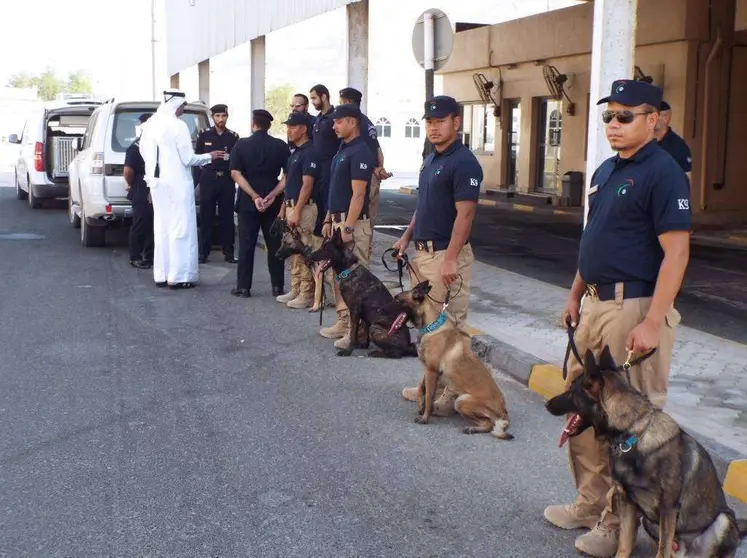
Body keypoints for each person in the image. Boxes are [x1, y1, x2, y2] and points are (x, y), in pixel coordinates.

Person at [543, 79, 690, 558]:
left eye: (625, 117)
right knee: (582, 407)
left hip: (635, 307)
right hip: (594, 304)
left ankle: (616, 523)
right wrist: (574, 292)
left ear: (654, 119)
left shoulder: (664, 172)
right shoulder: (607, 170)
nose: (613, 125)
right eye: (608, 116)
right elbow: (598, 237)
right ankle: (590, 502)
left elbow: (676, 252)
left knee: (630, 421)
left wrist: (655, 319)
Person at [393, 95, 482, 406]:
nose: (433, 127)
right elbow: (424, 206)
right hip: (424, 255)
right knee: (431, 329)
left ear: (455, 122)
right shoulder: (431, 160)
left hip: (447, 255)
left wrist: (451, 259)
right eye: (429, 122)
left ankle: (450, 392)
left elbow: (466, 215)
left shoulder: (464, 162)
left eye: (440, 121)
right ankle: (428, 387)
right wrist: (406, 236)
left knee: (451, 328)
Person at [139, 90, 224, 289]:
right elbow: (188, 159)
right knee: (181, 227)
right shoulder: (178, 126)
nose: (183, 109)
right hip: (176, 182)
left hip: (156, 183)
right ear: (177, 105)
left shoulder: (150, 124)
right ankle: (179, 276)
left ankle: (161, 274)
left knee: (162, 227)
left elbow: (143, 152)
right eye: (183, 106)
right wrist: (210, 156)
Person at [317, 103, 376, 349]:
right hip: (339, 220)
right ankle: (344, 320)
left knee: (356, 281)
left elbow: (358, 195)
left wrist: (348, 228)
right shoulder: (343, 149)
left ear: (353, 122)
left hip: (353, 224)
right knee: (339, 276)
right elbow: (336, 190)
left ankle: (359, 332)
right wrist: (330, 218)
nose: (334, 126)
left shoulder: (361, 151)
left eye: (338, 122)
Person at [229, 109, 291, 298]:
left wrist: (254, 195)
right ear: (269, 126)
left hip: (249, 202)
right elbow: (288, 176)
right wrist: (272, 194)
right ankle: (277, 286)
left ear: (253, 124)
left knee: (246, 244)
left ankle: (244, 287)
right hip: (273, 201)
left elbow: (235, 174)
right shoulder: (280, 146)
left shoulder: (241, 145)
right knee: (274, 244)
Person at [338, 87, 391, 257]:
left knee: (362, 218)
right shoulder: (367, 122)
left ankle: (362, 256)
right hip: (371, 174)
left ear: (346, 102)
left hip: (362, 176)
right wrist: (378, 168)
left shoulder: (355, 123)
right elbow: (378, 151)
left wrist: (374, 170)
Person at [276, 111, 321, 309]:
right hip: (292, 206)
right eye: (288, 127)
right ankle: (296, 288)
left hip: (304, 208)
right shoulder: (295, 153)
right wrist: (283, 208)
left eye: (292, 126)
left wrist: (297, 210)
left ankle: (307, 293)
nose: (289, 130)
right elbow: (289, 185)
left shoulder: (311, 151)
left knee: (303, 250)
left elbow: (307, 185)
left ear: (303, 128)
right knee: (293, 251)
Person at [194, 103, 239, 264]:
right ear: (212, 117)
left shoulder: (233, 136)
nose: (221, 119)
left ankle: (228, 252)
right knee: (206, 216)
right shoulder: (204, 135)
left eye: (223, 116)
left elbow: (236, 159)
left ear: (227, 117)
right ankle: (203, 253)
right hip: (208, 179)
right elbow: (196, 158)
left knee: (227, 217)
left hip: (226, 180)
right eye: (218, 116)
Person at [309, 84, 339, 242]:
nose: (312, 102)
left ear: (324, 97)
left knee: (329, 204)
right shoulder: (318, 119)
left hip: (330, 168)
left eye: (314, 98)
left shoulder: (335, 117)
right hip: (317, 170)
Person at [124, 112, 154, 269]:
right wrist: (134, 185)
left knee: (154, 222)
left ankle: (150, 256)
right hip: (141, 185)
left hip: (155, 185)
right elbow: (128, 172)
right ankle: (135, 256)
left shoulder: (157, 145)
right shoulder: (136, 147)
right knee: (141, 221)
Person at [655, 100, 692, 176]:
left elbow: (686, 177)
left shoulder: (678, 146)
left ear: (666, 118)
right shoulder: (642, 140)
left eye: (656, 116)